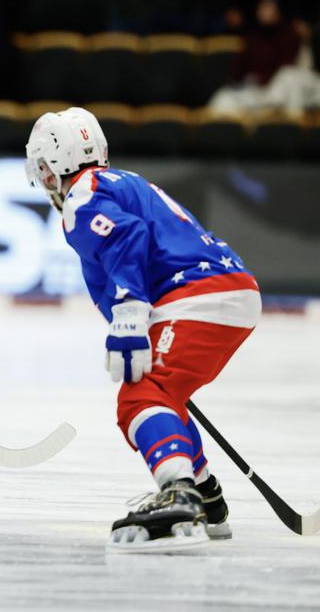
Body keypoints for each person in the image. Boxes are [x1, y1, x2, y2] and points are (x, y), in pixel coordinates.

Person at [24, 107, 261, 552]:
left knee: (141, 395)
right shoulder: (122, 182)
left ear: (51, 167)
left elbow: (126, 238)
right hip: (226, 290)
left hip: (197, 295)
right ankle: (204, 494)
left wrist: (129, 313)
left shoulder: (84, 196)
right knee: (164, 394)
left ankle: (179, 492)